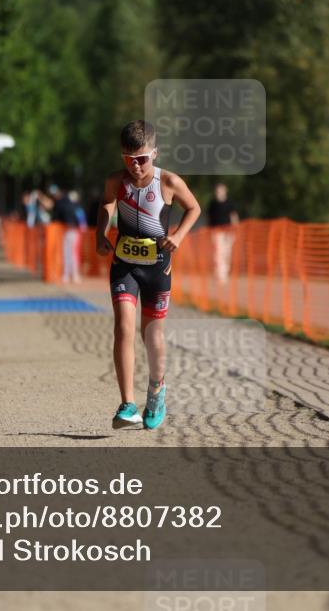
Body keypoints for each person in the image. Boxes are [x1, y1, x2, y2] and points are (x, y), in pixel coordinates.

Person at [97, 120, 201, 430]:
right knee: (123, 328)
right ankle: (127, 404)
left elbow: (194, 208)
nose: (136, 166)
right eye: (129, 160)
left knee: (152, 335)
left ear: (154, 153)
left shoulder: (168, 182)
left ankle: (156, 390)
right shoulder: (116, 181)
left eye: (142, 159)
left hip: (158, 267)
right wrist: (100, 234)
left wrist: (179, 236)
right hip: (124, 265)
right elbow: (106, 203)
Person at [207, 183, 239, 285]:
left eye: (220, 191)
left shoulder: (230, 203)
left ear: (225, 191)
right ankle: (220, 276)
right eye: (217, 191)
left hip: (228, 231)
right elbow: (209, 217)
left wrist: (235, 229)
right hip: (216, 232)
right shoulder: (212, 203)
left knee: (227, 253)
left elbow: (233, 216)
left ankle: (224, 272)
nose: (218, 193)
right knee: (218, 253)